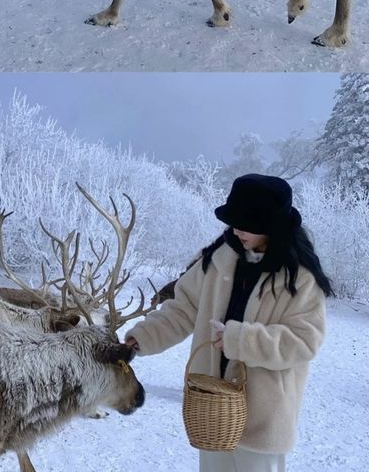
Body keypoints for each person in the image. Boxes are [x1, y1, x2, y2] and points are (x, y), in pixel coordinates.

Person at [125, 173, 333, 472]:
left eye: (246, 222)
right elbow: (183, 309)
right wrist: (142, 337)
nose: (236, 229)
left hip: (263, 417)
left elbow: (303, 341)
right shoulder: (215, 260)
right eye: (234, 219)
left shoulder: (298, 278)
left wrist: (241, 340)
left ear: (271, 224)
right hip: (211, 409)